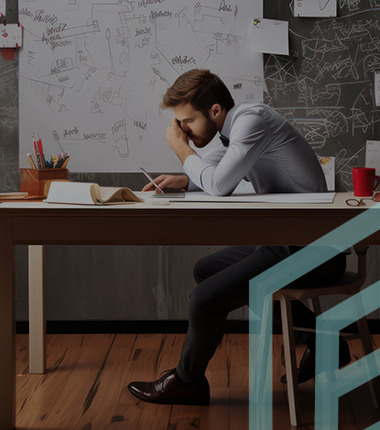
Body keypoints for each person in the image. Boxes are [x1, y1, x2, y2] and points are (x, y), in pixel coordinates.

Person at [127, 69, 350, 406]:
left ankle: (187, 380)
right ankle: (324, 339)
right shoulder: (232, 132)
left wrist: (181, 151)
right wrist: (183, 179)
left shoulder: (251, 121)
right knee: (206, 269)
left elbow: (218, 185)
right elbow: (213, 173)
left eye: (186, 121)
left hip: (313, 250)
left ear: (215, 111)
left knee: (204, 298)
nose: (182, 131)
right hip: (287, 242)